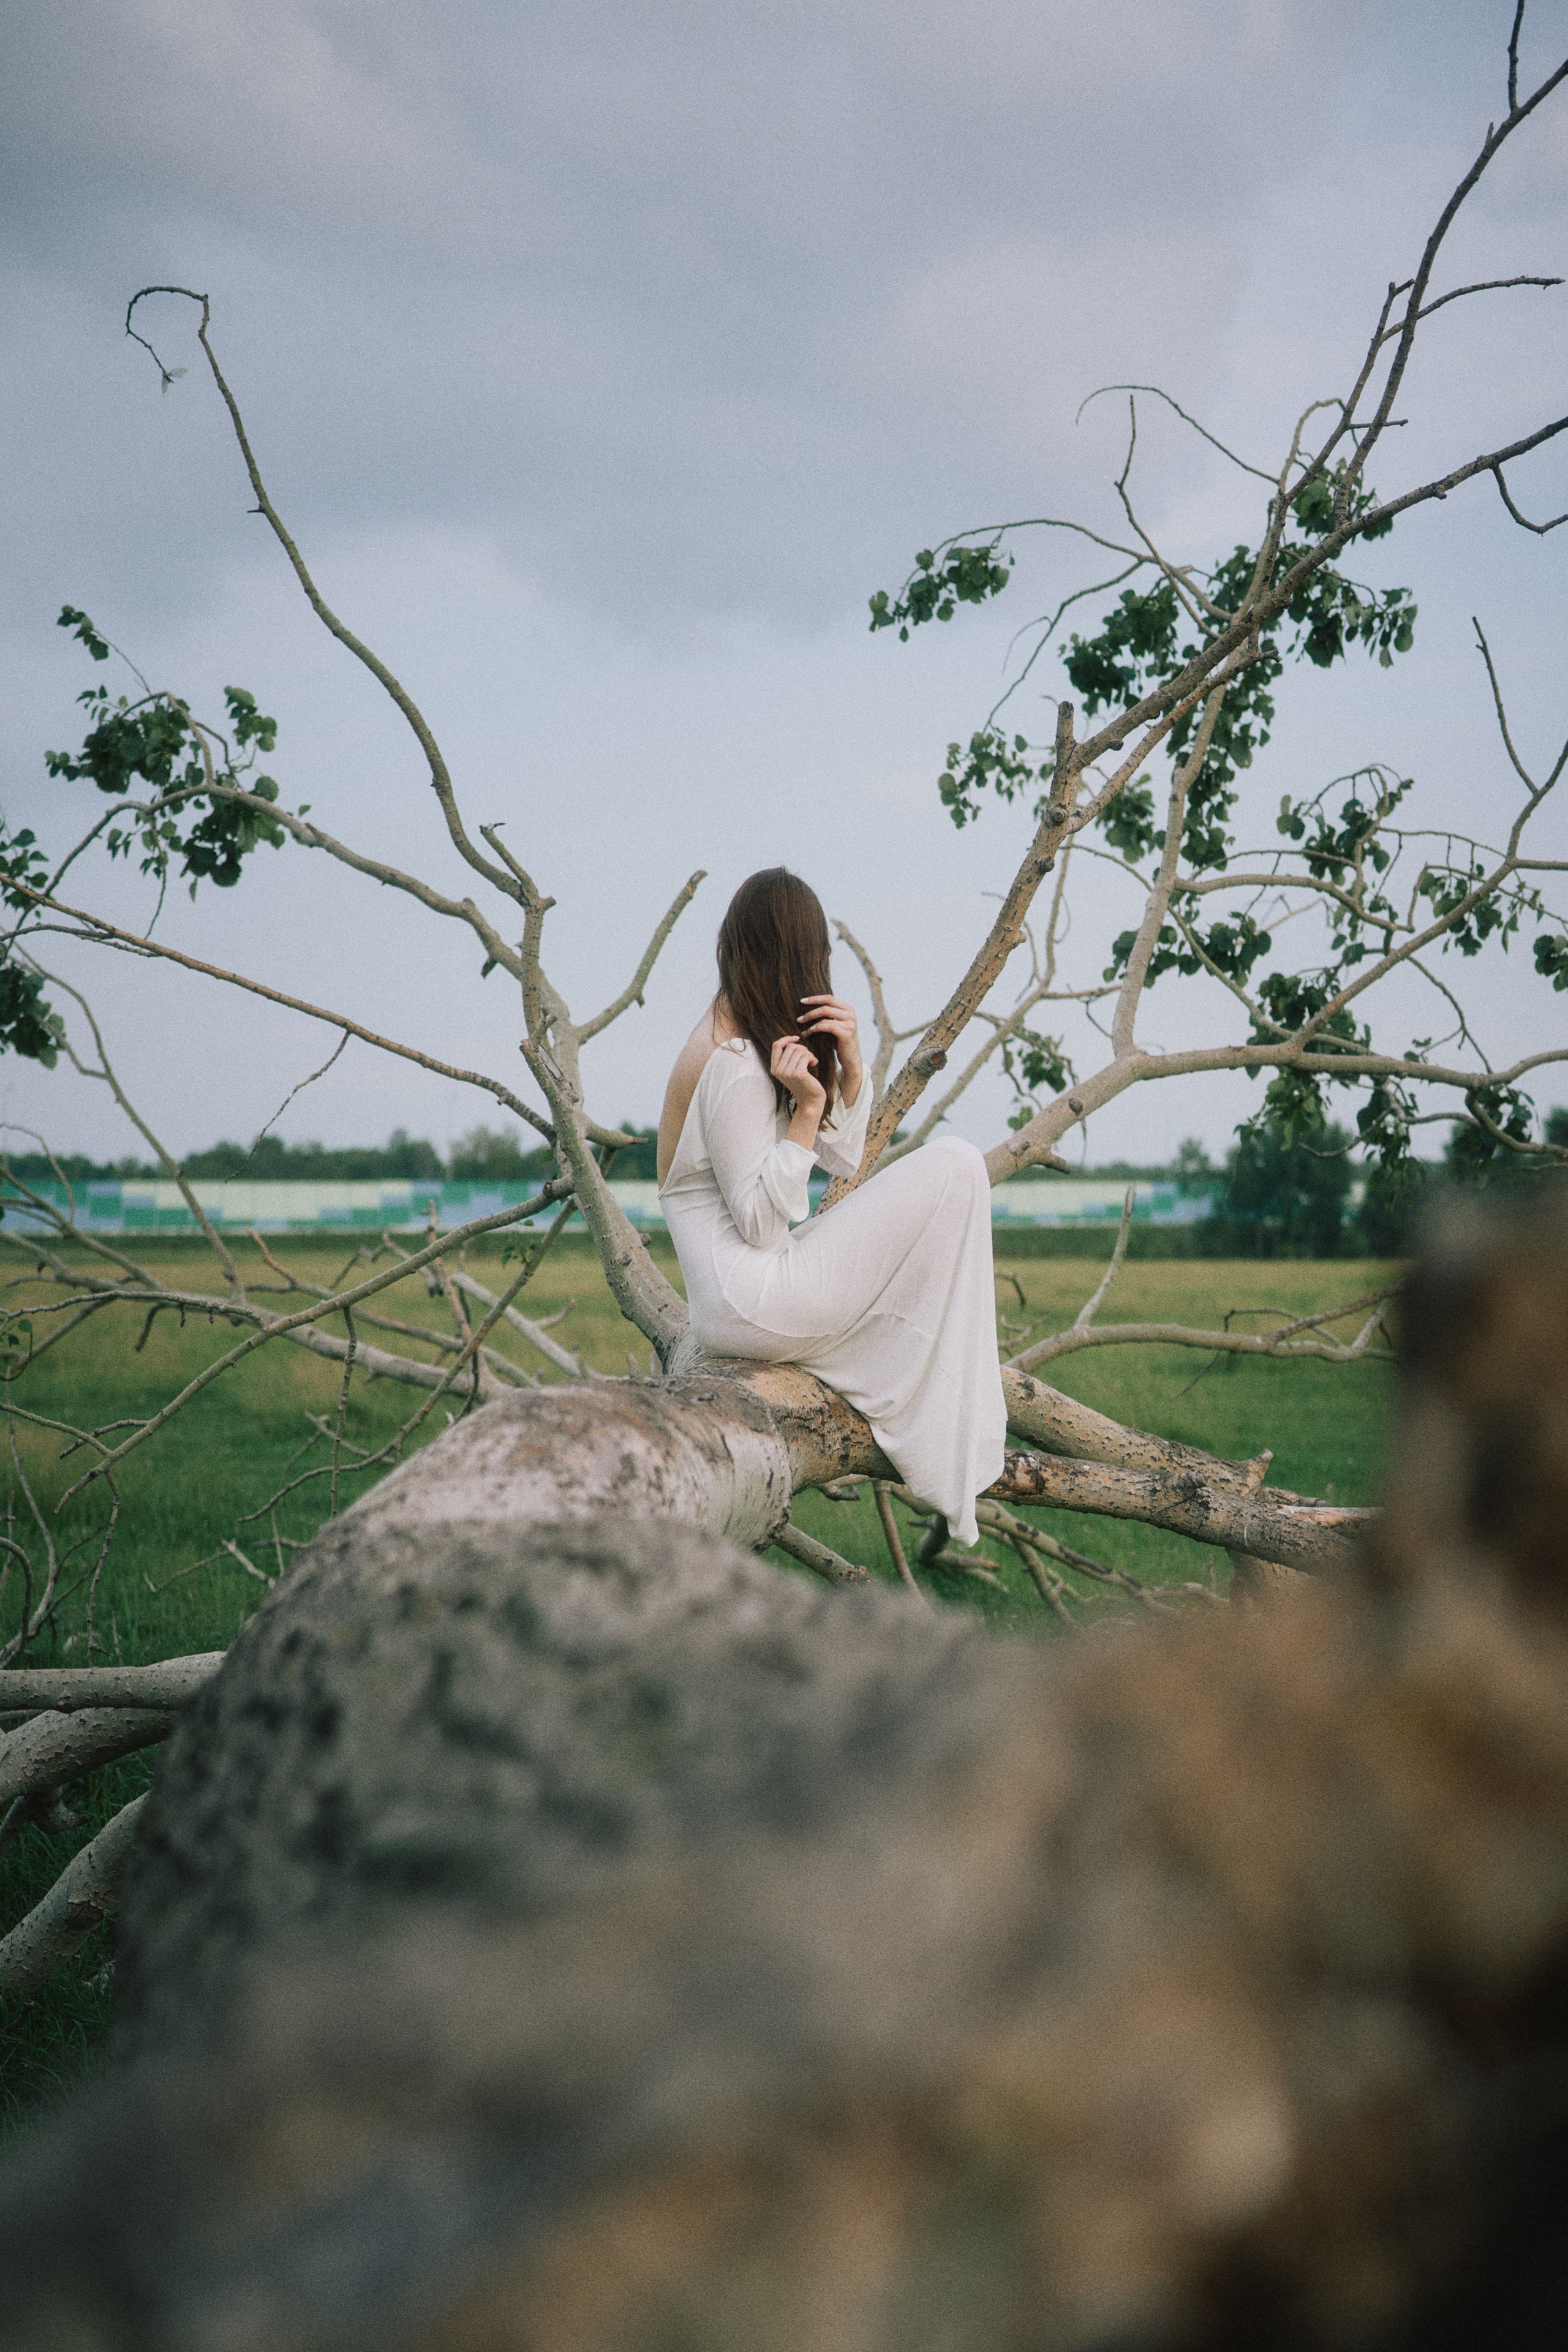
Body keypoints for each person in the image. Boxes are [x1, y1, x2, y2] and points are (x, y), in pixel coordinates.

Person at [657, 867, 1006, 1548]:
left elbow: (844, 1160)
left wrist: (850, 1069)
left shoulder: (743, 1037)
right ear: (801, 956)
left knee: (955, 1172)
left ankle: (940, 1413)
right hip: (749, 1297)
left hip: (743, 1294)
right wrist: (809, 1110)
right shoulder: (730, 1059)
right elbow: (762, 1225)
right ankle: (941, 1427)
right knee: (958, 1164)